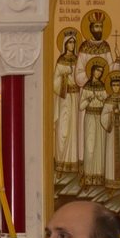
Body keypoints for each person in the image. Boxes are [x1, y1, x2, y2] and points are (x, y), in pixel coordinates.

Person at [52, 31, 81, 173]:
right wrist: (65, 75)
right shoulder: (61, 61)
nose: (72, 45)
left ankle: (73, 164)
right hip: (64, 98)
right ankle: (61, 163)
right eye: (69, 42)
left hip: (76, 98)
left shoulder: (78, 60)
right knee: (63, 130)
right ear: (65, 44)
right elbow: (54, 82)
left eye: (73, 42)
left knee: (74, 129)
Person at [79, 61, 108, 187]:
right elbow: (81, 106)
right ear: (92, 71)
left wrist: (103, 100)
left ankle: (99, 177)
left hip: (100, 117)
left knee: (100, 147)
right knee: (89, 146)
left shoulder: (103, 86)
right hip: (90, 117)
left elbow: (108, 105)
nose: (99, 73)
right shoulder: (87, 86)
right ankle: (88, 177)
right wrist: (88, 100)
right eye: (97, 70)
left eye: (101, 71)